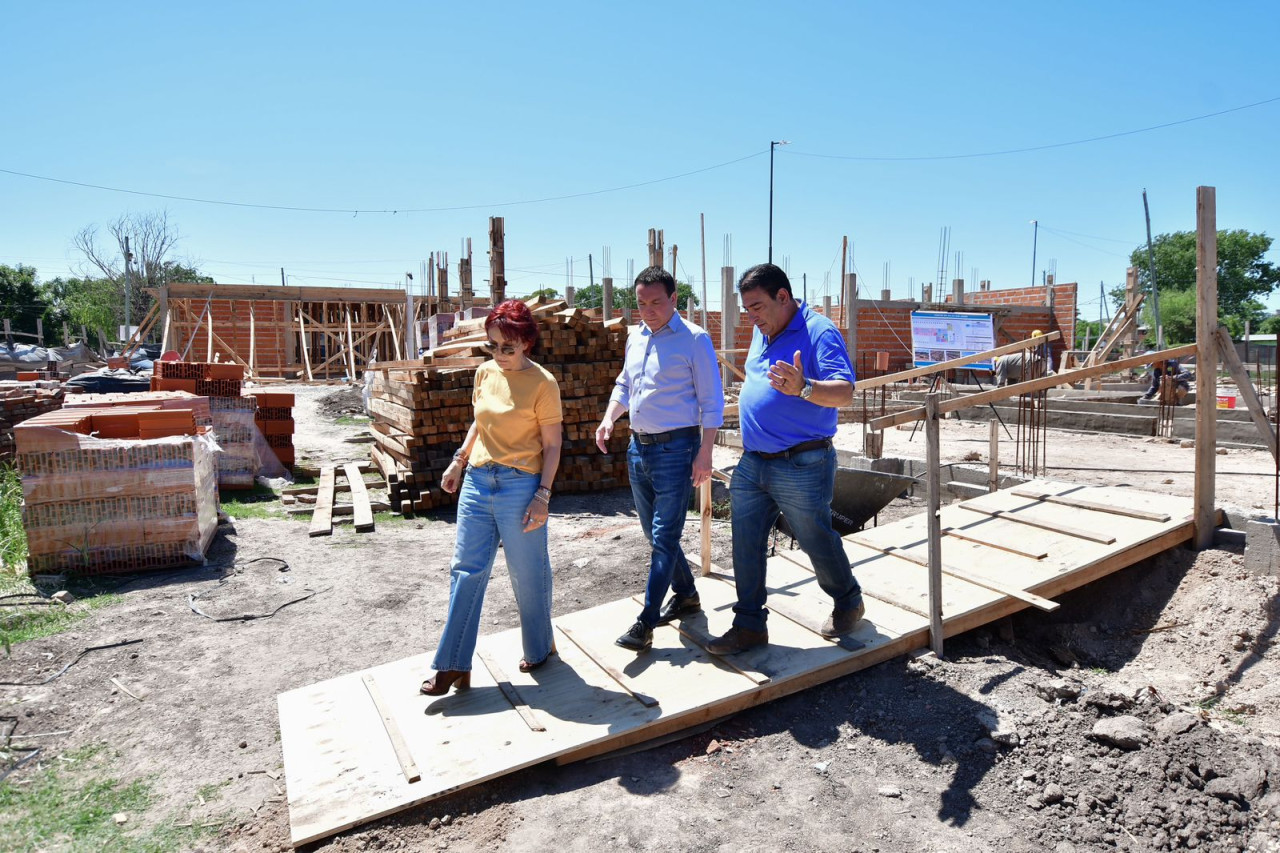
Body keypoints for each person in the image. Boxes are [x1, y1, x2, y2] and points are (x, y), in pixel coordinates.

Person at [707, 263, 864, 656]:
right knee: (744, 541)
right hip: (753, 461)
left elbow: (845, 392)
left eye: (757, 307)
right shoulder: (764, 333)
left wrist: (805, 387)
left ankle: (847, 600)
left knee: (814, 539)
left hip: (801, 463)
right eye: (747, 310)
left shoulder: (818, 332)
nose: (752, 317)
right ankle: (749, 626)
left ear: (783, 296)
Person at [421, 300, 563, 695]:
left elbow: (552, 447)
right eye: (494, 346)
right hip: (478, 482)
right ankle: (453, 665)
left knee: (527, 571)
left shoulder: (543, 384)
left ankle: (539, 648)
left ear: (527, 344)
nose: (499, 355)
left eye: (508, 347)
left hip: (521, 486)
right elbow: (479, 422)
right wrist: (458, 461)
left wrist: (543, 496)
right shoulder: (485, 373)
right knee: (465, 570)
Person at [596, 266, 724, 652]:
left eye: (655, 302)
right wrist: (609, 418)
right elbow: (625, 382)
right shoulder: (636, 337)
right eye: (641, 303)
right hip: (639, 447)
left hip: (677, 449)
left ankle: (646, 620)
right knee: (654, 534)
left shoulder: (694, 340)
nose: (647, 310)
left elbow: (711, 402)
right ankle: (686, 595)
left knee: (665, 537)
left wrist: (705, 452)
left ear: (673, 299)